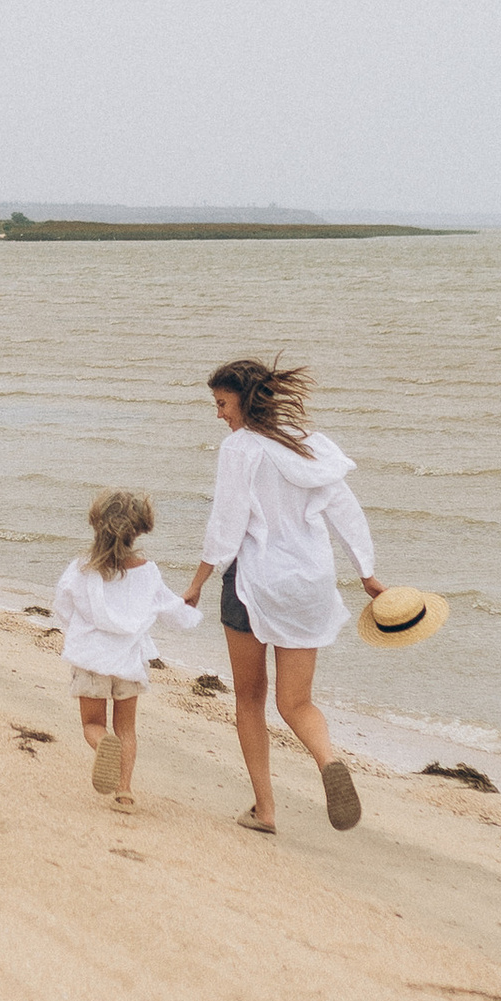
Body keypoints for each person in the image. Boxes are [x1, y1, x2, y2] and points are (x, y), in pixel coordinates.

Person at [181, 357, 383, 837]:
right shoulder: (311, 445)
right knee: (297, 703)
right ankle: (329, 760)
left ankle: (266, 810)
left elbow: (226, 528)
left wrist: (197, 583)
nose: (219, 414)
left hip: (255, 585)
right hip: (310, 585)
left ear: (243, 400)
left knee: (250, 698)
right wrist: (369, 575)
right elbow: (346, 512)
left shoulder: (241, 449)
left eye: (222, 403)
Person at [51, 488, 198, 807]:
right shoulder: (148, 572)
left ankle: (104, 745)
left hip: (91, 658)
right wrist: (189, 605)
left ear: (96, 524)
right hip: (130, 660)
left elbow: (62, 605)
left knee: (93, 724)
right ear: (141, 529)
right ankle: (124, 790)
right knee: (126, 729)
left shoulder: (81, 569)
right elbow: (172, 612)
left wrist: (76, 628)